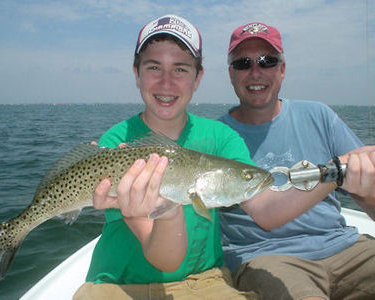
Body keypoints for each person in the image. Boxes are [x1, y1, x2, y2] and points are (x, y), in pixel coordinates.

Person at [73, 14, 259, 300]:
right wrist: (168, 210)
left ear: (198, 78)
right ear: (136, 73)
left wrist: (333, 173)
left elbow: (266, 202)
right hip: (118, 284)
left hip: (205, 281)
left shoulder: (223, 138)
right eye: (154, 67)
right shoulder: (116, 143)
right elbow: (165, 258)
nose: (166, 82)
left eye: (181, 69)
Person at [220, 22, 375, 300]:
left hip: (347, 248)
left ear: (282, 68)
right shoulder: (216, 138)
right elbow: (266, 215)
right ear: (231, 73)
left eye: (267, 61)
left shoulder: (319, 116)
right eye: (243, 63)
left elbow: (367, 198)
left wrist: (367, 188)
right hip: (266, 258)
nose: (255, 72)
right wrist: (335, 171)